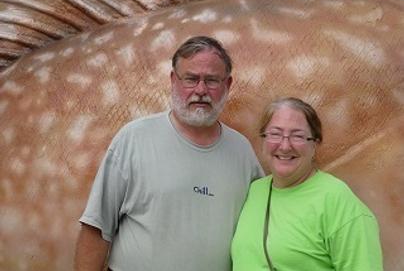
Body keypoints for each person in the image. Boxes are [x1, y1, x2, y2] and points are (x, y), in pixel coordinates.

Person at [74, 36, 263, 271]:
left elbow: (260, 235)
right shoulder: (134, 138)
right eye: (191, 79)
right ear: (173, 80)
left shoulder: (242, 151)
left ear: (228, 85)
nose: (201, 90)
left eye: (212, 80)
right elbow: (96, 228)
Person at [231, 97, 383, 271]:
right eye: (275, 134)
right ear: (263, 140)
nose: (285, 146)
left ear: (315, 145)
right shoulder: (255, 191)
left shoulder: (338, 200)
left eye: (297, 136)